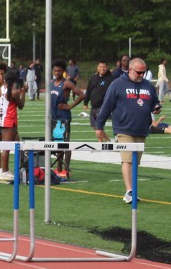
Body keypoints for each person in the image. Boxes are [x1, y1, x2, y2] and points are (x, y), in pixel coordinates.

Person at [94, 57, 161, 203]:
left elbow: (154, 101)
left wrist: (156, 107)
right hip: (123, 128)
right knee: (128, 159)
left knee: (135, 161)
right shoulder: (117, 84)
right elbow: (107, 106)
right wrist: (99, 126)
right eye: (138, 72)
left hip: (142, 128)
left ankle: (133, 190)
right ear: (130, 70)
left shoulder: (148, 85)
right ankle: (129, 191)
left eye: (143, 72)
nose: (141, 75)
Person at [48, 59, 85, 179]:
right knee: (57, 143)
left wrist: (70, 106)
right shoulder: (51, 83)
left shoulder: (66, 83)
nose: (57, 72)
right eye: (55, 70)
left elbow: (82, 95)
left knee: (65, 143)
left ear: (63, 71)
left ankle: (66, 170)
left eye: (59, 70)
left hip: (63, 117)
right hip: (53, 117)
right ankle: (59, 169)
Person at [0, 65, 24, 181]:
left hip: (3, 119)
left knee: (18, 144)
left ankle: (21, 168)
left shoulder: (1, 89)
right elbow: (21, 106)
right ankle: (5, 171)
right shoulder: (14, 92)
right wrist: (23, 93)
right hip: (9, 121)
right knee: (7, 147)